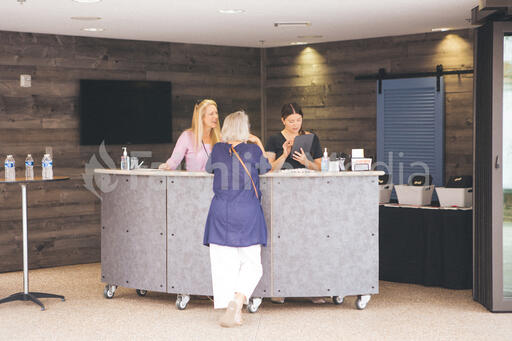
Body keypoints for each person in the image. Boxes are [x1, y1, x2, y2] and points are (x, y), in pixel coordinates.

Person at [203, 111, 270, 327]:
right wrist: (257, 141)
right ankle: (238, 301)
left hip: (220, 211)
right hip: (247, 211)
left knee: (224, 264)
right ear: (245, 129)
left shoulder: (218, 149)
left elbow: (208, 169)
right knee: (252, 264)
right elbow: (266, 168)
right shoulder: (252, 149)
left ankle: (232, 307)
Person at [159, 99, 221, 171]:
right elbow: (173, 161)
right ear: (201, 117)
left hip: (216, 182)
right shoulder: (187, 136)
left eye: (216, 113)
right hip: (194, 181)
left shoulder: (221, 138)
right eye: (211, 114)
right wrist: (166, 166)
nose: (216, 116)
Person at [265, 102, 323, 171]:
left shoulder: (312, 138)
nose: (296, 125)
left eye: (298, 120)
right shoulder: (273, 139)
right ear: (283, 121)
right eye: (291, 121)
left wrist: (306, 162)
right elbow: (268, 169)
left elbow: (321, 168)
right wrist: (284, 156)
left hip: (308, 181)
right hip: (282, 181)